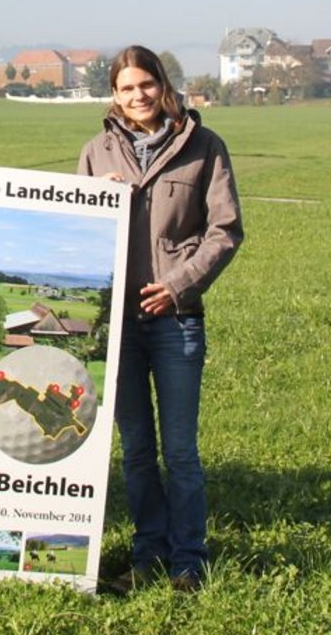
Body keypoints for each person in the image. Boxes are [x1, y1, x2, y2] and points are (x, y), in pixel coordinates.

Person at [76, 45, 243, 592]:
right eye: (126, 88)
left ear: (162, 85)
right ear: (114, 94)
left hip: (177, 322)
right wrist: (99, 204)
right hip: (119, 325)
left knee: (180, 451)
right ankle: (147, 556)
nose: (137, 96)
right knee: (137, 451)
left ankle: (188, 562)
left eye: (145, 85)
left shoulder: (204, 147)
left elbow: (225, 231)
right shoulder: (96, 153)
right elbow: (77, 231)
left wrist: (177, 286)